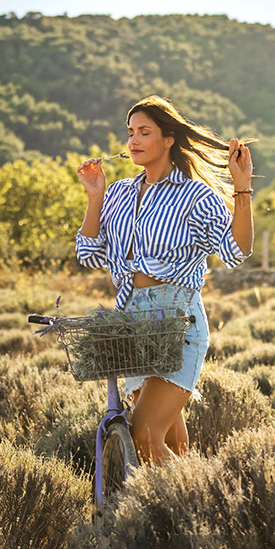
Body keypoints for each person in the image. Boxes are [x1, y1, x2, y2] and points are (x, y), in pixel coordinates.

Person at [75, 95, 254, 465]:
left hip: (177, 323)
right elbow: (89, 253)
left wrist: (241, 188)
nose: (134, 141)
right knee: (171, 440)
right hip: (133, 327)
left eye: (145, 132)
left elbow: (237, 251)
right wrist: (95, 196)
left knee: (144, 434)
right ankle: (176, 513)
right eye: (130, 133)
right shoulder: (120, 193)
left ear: (168, 138)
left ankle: (192, 501)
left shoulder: (194, 196)